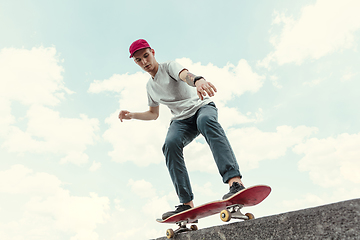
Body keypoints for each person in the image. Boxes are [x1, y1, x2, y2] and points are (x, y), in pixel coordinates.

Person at [119, 39, 245, 220]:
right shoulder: (150, 87)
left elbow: (185, 75)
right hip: (181, 121)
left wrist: (198, 80)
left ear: (152, 52)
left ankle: (235, 183)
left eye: (146, 56)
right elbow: (153, 114)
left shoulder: (169, 67)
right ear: (135, 62)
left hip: (201, 107)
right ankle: (186, 203)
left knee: (206, 122)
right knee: (169, 145)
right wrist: (131, 115)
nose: (144, 62)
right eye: (139, 60)